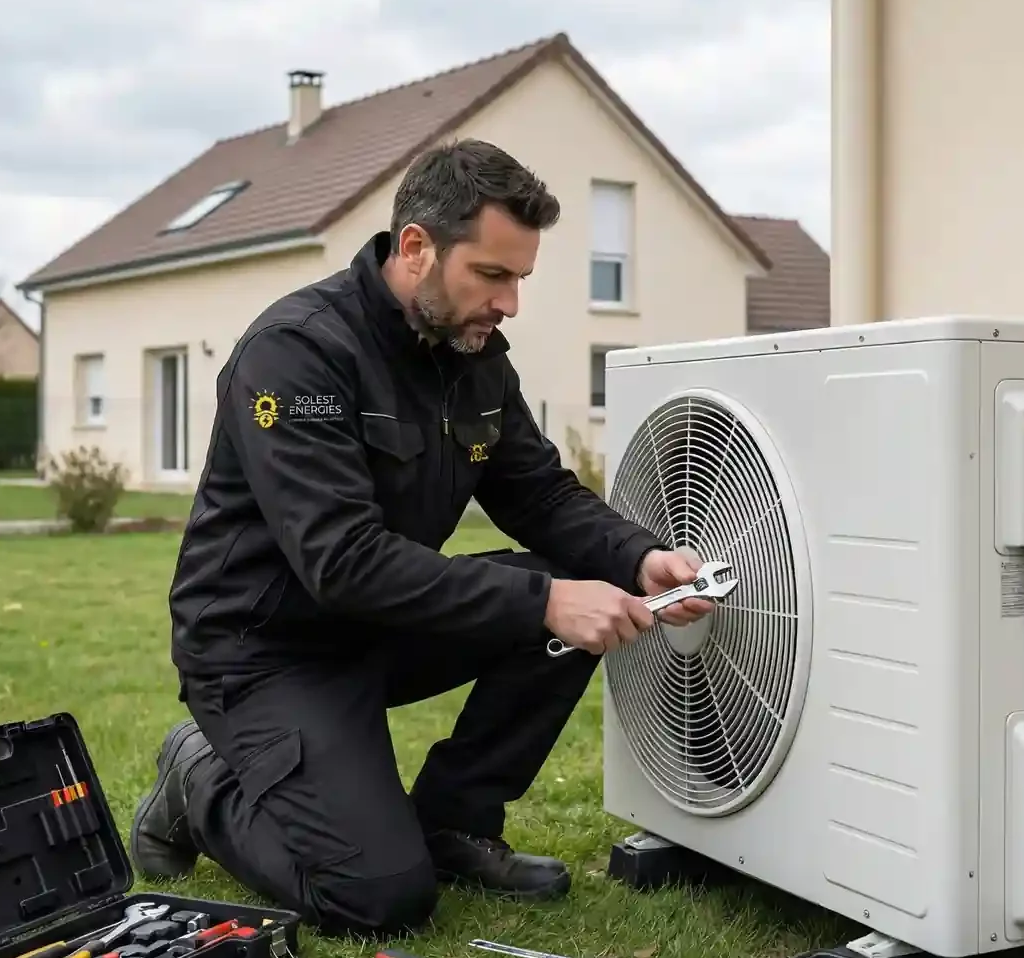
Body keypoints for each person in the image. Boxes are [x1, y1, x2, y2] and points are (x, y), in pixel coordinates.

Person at [128, 138, 713, 938]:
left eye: (520, 279)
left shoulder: (473, 357)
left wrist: (639, 557)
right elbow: (342, 559)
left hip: (381, 625)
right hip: (263, 653)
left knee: (572, 582)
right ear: (416, 248)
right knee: (376, 897)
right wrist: (545, 600)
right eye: (494, 275)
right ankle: (199, 781)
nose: (510, 304)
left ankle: (453, 824)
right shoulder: (297, 354)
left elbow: (537, 491)